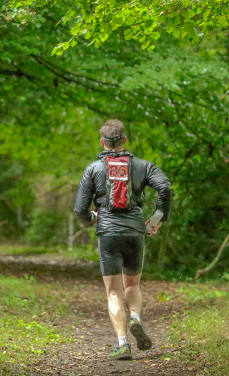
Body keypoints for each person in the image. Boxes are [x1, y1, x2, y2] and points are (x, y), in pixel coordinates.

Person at [74, 119, 173, 360]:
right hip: (135, 232)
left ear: (102, 142)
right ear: (124, 140)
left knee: (113, 292)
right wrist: (156, 219)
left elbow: (80, 209)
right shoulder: (142, 166)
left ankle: (122, 344)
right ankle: (136, 319)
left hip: (108, 234)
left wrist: (92, 218)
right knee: (133, 285)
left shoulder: (93, 169)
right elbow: (165, 188)